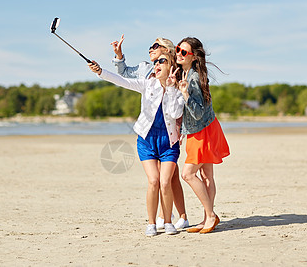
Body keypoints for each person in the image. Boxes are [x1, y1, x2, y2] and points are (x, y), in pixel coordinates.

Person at [87, 52, 185, 237]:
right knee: (154, 181)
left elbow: (175, 112)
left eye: (161, 61)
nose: (155, 64)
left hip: (168, 143)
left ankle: (168, 221)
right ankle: (151, 223)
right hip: (146, 139)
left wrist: (171, 88)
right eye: (154, 62)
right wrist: (100, 71)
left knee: (165, 182)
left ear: (172, 66)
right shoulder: (147, 84)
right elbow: (122, 80)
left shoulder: (178, 89)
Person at [110, 35, 189, 230]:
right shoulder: (147, 68)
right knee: (163, 178)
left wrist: (181, 131)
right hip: (150, 130)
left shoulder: (177, 72)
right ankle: (165, 215)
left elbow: (180, 107)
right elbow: (125, 75)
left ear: (168, 51)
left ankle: (176, 215)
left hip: (170, 129)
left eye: (156, 46)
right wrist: (119, 57)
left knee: (170, 177)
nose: (151, 49)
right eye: (151, 47)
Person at [176, 37, 230, 234]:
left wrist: (185, 94)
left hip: (202, 131)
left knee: (188, 174)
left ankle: (211, 214)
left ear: (193, 57)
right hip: (201, 129)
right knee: (206, 175)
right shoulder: (186, 72)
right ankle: (207, 218)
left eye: (184, 52)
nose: (179, 54)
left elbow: (197, 112)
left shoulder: (194, 78)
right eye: (178, 49)